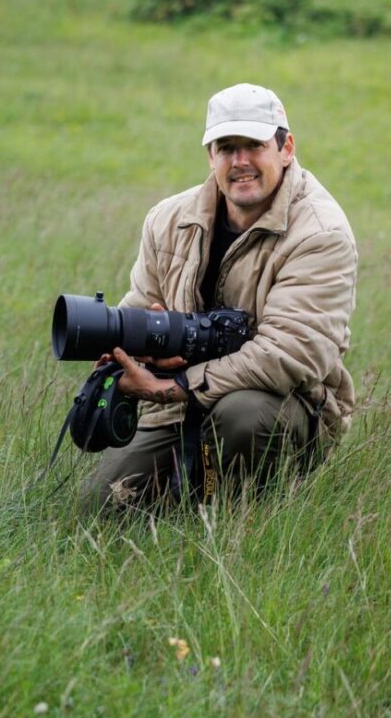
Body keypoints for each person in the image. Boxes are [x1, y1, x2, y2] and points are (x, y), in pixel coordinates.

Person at [81, 83, 358, 514]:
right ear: (210, 156)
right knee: (99, 507)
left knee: (242, 416)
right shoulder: (169, 218)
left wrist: (177, 386)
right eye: (227, 147)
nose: (240, 161)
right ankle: (186, 495)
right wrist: (132, 356)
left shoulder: (320, 233)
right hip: (176, 403)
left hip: (287, 406)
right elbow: (141, 305)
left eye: (254, 145)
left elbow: (291, 354)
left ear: (286, 148)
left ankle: (232, 516)